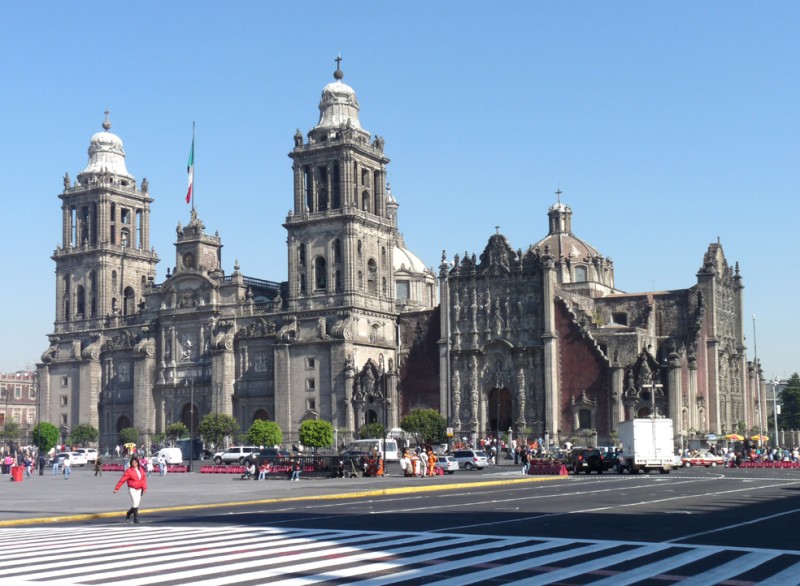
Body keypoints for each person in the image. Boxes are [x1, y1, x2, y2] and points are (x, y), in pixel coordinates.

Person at [113, 456, 147, 524]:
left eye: (135, 462)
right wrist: (116, 488)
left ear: (138, 463)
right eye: (132, 462)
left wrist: (145, 488)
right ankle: (135, 519)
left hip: (140, 489)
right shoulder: (129, 471)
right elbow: (122, 480)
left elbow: (144, 479)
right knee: (135, 502)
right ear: (131, 463)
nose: (134, 464)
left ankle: (128, 513)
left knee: (136, 504)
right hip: (132, 489)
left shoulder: (141, 470)